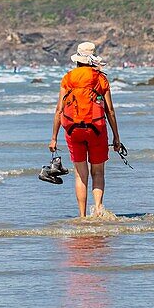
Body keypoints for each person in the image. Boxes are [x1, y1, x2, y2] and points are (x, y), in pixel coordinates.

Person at [49, 42, 121, 218]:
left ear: (78, 60)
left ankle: (82, 216)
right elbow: (109, 110)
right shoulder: (100, 79)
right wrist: (116, 137)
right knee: (98, 172)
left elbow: (59, 109)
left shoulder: (68, 78)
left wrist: (54, 138)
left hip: (73, 130)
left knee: (81, 175)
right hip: (97, 129)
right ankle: (97, 209)